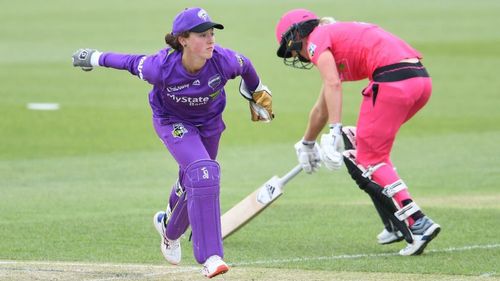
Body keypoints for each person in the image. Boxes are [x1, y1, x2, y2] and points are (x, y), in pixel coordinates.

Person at [72, 7, 274, 278]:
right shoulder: (162, 67)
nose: (211, 40)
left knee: (194, 181)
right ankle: (211, 257)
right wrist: (94, 57)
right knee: (204, 171)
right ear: (183, 39)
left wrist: (257, 92)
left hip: (210, 123)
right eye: (202, 35)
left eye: (212, 33)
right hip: (173, 122)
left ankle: (168, 230)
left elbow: (246, 66)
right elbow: (130, 62)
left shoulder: (223, 60)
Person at [274, 9, 440, 256]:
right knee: (357, 144)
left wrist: (333, 130)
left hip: (392, 81)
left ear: (297, 34)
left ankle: (418, 224)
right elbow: (322, 107)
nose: (296, 54)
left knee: (369, 158)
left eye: (292, 48)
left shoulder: (316, 40)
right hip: (419, 81)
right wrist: (307, 143)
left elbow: (333, 84)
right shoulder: (333, 38)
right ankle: (394, 225)